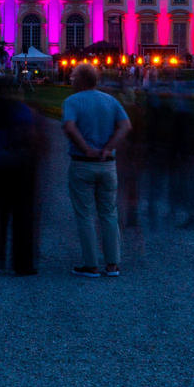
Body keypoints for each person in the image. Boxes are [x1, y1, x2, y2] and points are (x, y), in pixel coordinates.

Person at [60, 64, 132, 277]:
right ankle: (112, 265)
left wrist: (87, 149)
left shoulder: (72, 101)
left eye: (73, 77)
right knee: (109, 214)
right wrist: (109, 148)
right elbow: (126, 126)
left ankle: (90, 265)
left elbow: (69, 127)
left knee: (84, 215)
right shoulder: (110, 100)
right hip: (108, 164)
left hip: (83, 163)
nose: (71, 80)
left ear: (81, 79)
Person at [0, 75, 43, 277]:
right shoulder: (21, 110)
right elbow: (31, 137)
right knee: (22, 216)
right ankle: (22, 264)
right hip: (20, 167)